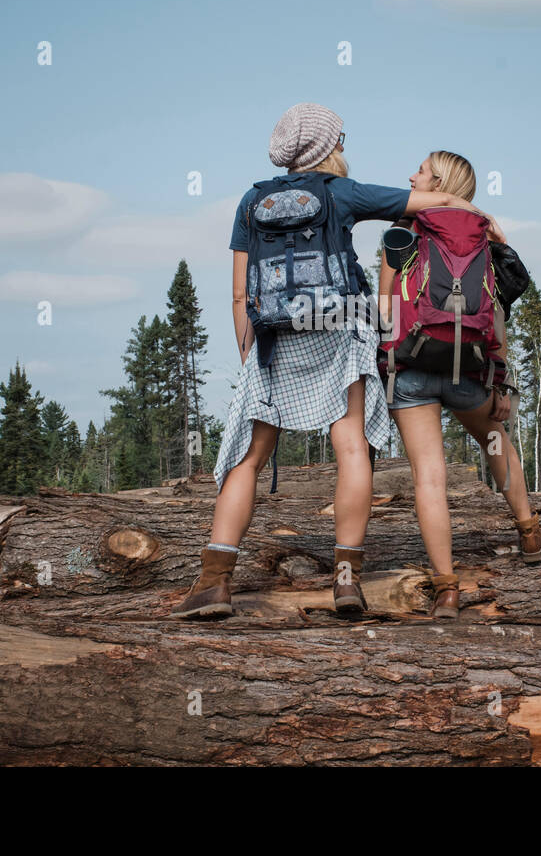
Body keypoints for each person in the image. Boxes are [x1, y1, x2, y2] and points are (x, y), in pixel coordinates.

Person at [171, 108, 505, 619]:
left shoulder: (251, 200)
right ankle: (346, 582)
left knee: (249, 459)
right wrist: (483, 218)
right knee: (351, 446)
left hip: (274, 337)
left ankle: (214, 584)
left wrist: (249, 350)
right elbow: (435, 200)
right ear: (328, 147)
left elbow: (239, 293)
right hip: (338, 326)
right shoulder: (340, 192)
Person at [376, 150, 541, 619]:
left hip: (412, 368)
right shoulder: (483, 239)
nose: (411, 175)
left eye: (421, 170)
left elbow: (386, 310)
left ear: (439, 181)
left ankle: (447, 589)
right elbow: (497, 314)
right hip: (469, 368)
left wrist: (384, 364)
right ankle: (528, 529)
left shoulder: (401, 234)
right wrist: (502, 380)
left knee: (430, 476)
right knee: (496, 443)